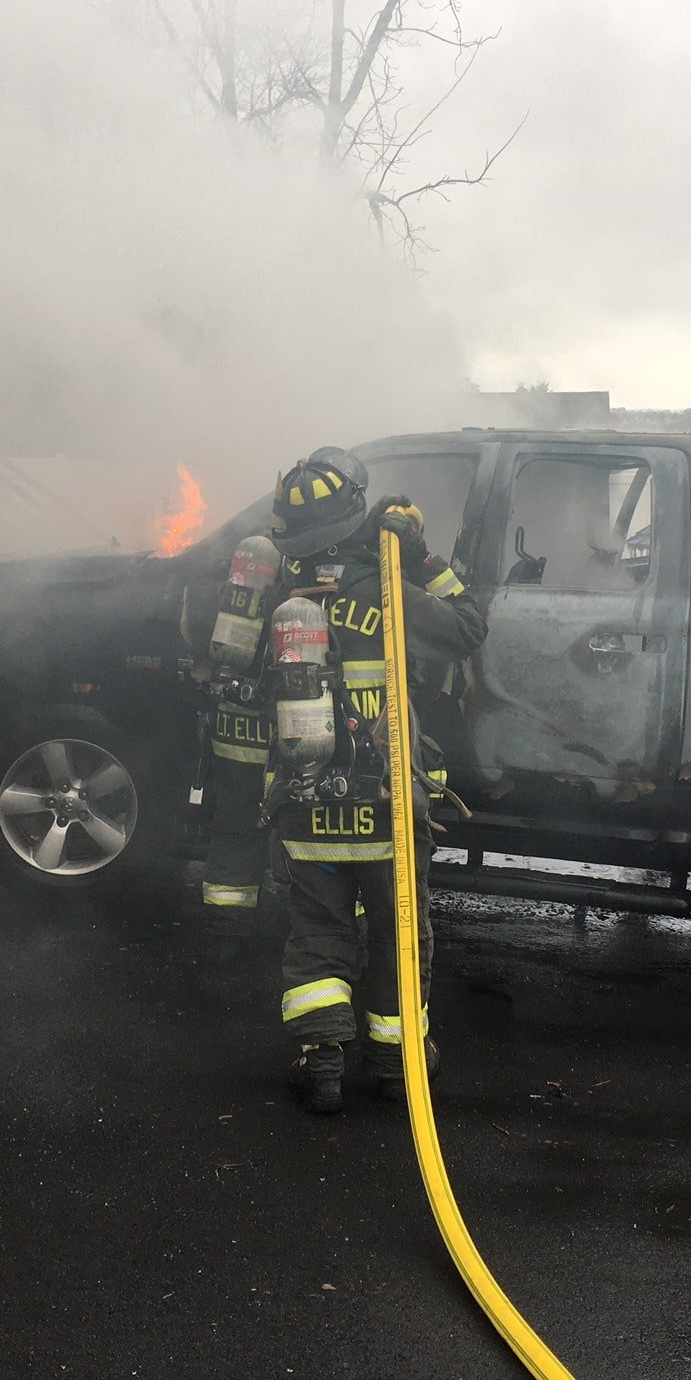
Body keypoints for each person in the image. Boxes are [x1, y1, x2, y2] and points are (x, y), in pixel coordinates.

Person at [265, 453, 485, 1113]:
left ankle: (321, 1062)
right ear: (351, 516)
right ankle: (396, 1061)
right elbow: (468, 628)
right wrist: (417, 555)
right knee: (397, 932)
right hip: (386, 807)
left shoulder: (281, 597)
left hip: (308, 806)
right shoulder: (386, 590)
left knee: (317, 932)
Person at [193, 447, 369, 970]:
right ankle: (326, 942)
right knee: (317, 834)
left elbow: (212, 632)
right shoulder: (343, 576)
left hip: (237, 725)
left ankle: (223, 945)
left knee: (234, 833)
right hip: (298, 732)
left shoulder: (259, 564)